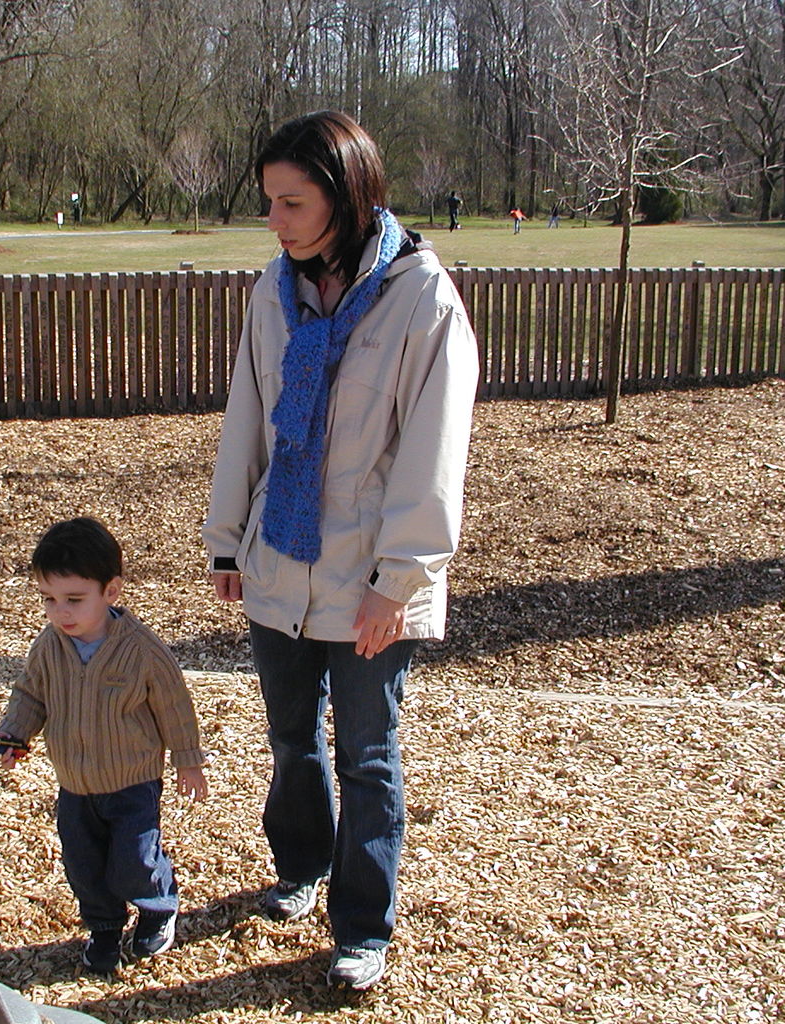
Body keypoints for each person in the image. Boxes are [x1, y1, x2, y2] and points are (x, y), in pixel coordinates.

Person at [203, 110, 477, 991]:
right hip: (277, 560)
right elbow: (248, 419)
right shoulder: (272, 290)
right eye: (268, 204)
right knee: (291, 740)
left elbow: (432, 455)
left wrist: (399, 583)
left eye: (291, 202)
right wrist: (226, 543)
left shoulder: (420, 298)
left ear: (346, 194)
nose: (275, 222)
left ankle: (362, 925)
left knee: (365, 754)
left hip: (371, 579)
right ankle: (302, 866)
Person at [0, 517, 208, 975]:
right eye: (49, 600)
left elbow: (174, 707)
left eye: (73, 600)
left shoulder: (142, 650)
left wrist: (189, 761)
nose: (60, 613)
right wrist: (15, 733)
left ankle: (157, 905)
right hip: (75, 782)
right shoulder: (50, 646)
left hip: (132, 781)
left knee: (133, 858)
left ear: (111, 592)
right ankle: (105, 926)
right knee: (84, 864)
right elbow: (32, 693)